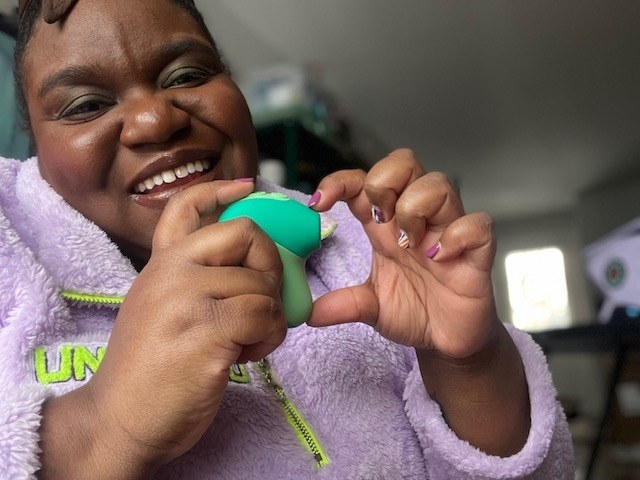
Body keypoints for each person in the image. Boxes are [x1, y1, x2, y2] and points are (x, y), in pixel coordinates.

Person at [0, 0, 574, 478]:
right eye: (85, 106)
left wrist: (469, 363)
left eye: (188, 75)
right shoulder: (10, 252)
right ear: (32, 141)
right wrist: (106, 425)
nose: (155, 119)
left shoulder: (358, 240)